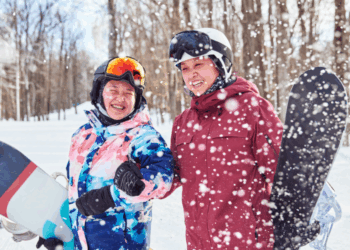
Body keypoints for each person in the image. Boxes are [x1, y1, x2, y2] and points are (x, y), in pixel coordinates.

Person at [163, 28, 284, 250]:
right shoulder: (183, 121)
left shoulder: (253, 109)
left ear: (221, 63)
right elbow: (171, 177)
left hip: (249, 243)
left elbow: (281, 173)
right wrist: (139, 176)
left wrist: (293, 220)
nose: (191, 74)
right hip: (199, 244)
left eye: (198, 65)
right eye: (185, 68)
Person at [36, 57, 174, 250]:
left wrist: (111, 196)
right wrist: (62, 233)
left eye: (129, 92)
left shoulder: (143, 137)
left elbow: (164, 177)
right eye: (113, 90)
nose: (121, 98)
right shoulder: (83, 135)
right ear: (99, 92)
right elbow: (74, 192)